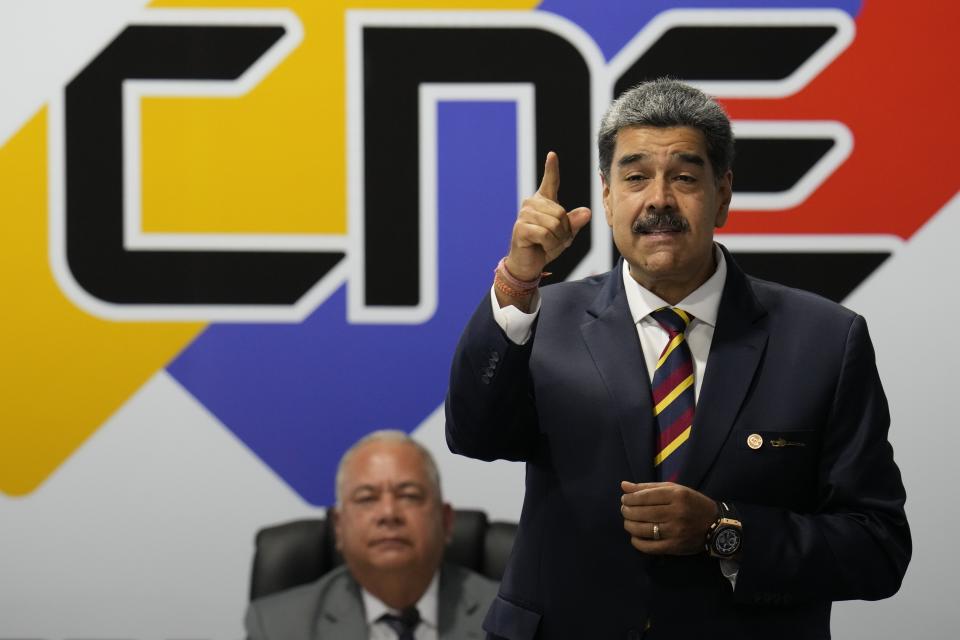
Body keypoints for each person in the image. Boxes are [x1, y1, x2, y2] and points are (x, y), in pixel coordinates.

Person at [445, 78, 910, 639]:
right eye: (635, 177)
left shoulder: (825, 341)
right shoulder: (542, 320)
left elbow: (878, 547)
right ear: (608, 196)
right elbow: (474, 434)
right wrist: (518, 280)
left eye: (685, 178)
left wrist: (723, 530)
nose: (658, 200)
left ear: (724, 195)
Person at [245, 430, 498, 639]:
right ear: (338, 527)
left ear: (446, 520)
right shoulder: (277, 627)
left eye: (408, 495)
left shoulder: (507, 619)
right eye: (367, 498)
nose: (388, 513)